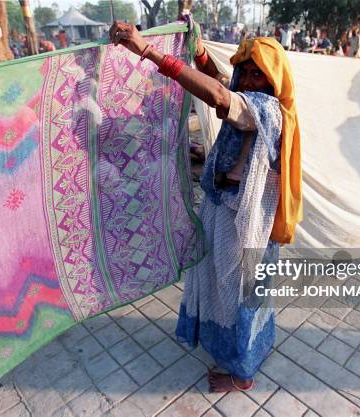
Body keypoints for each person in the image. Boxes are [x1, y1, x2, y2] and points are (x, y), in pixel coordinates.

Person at [109, 20, 302, 393]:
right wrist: (197, 50)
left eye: (256, 74)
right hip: (226, 206)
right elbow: (221, 81)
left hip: (244, 221)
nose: (246, 79)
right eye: (243, 71)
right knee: (227, 287)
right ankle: (242, 351)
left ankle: (242, 374)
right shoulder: (252, 98)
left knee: (238, 293)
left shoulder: (267, 109)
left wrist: (148, 51)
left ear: (274, 80)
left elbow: (217, 93)